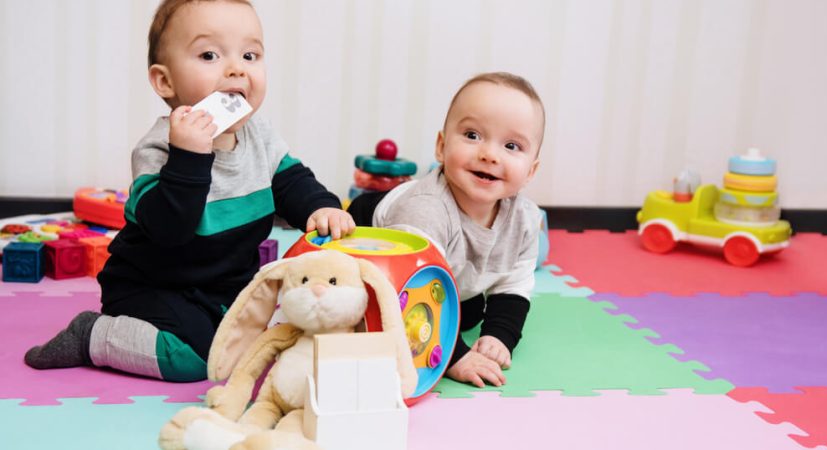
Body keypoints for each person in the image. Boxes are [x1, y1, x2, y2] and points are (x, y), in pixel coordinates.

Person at [25, 0, 355, 382]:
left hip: (226, 285)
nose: (236, 69)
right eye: (210, 55)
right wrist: (190, 157)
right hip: (154, 285)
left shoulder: (260, 137)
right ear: (165, 82)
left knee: (258, 345)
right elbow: (170, 230)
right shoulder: (158, 150)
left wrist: (321, 207)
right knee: (192, 360)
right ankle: (92, 335)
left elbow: (293, 183)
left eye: (250, 55)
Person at [349, 72, 544, 388]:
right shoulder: (426, 212)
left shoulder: (524, 221)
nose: (489, 154)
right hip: (373, 241)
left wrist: (499, 335)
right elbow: (412, 290)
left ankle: (457, 290)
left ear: (531, 171)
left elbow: (514, 284)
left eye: (511, 145)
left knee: (469, 313)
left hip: (447, 265)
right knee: (359, 309)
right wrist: (455, 357)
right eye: (472, 135)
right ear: (441, 147)